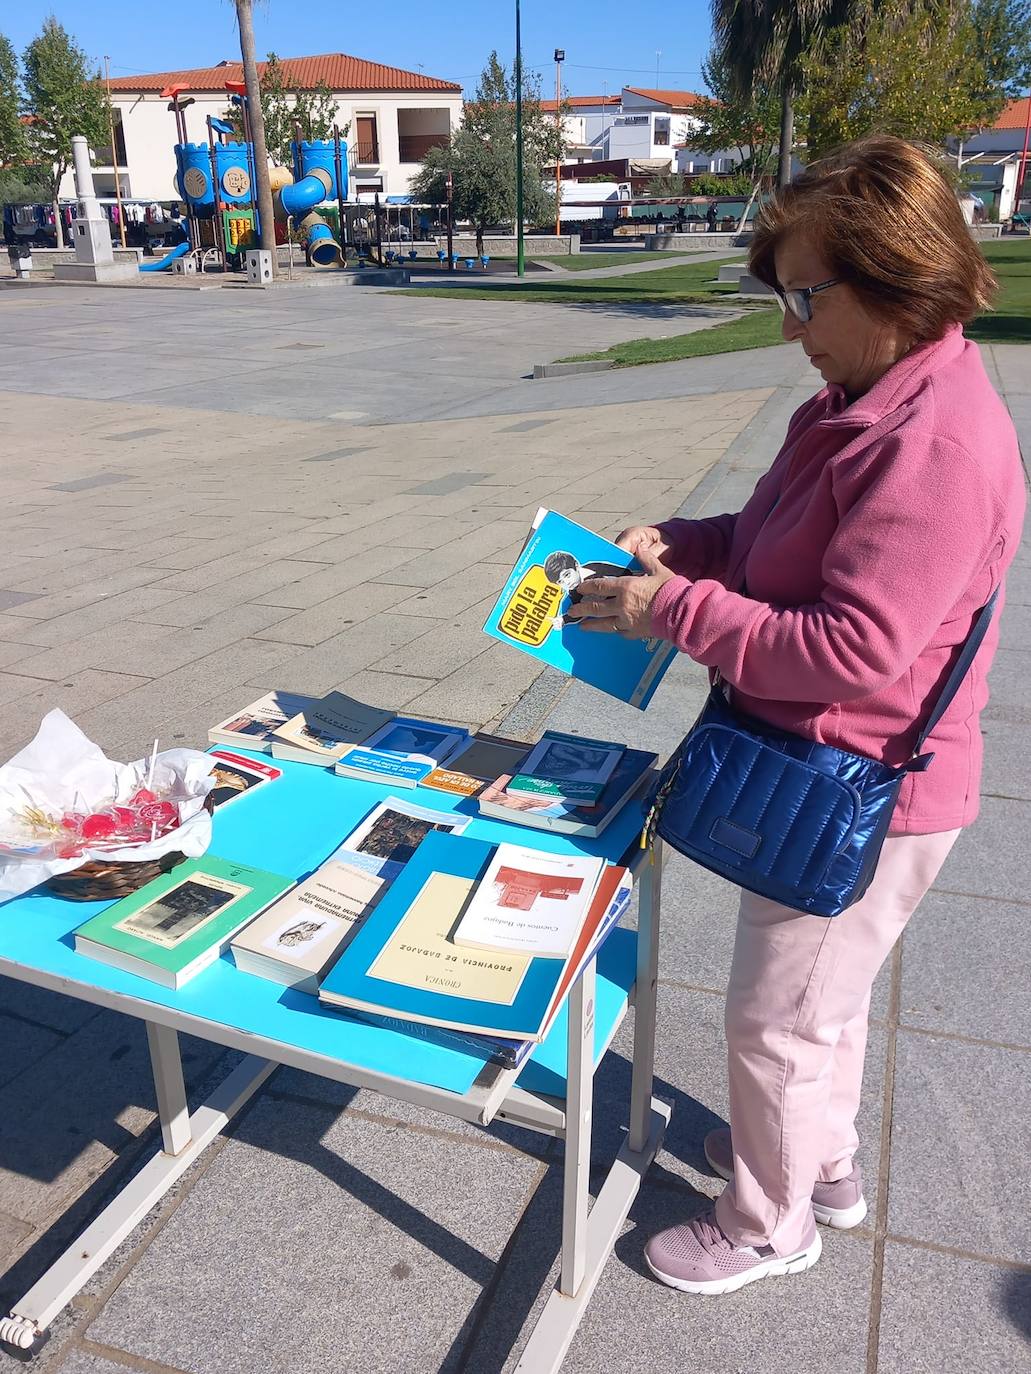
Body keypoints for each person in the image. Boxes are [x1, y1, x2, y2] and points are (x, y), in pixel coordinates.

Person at [563, 135, 1025, 1296]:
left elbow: (849, 651)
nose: (788, 327)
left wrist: (674, 612)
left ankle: (769, 1224)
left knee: (775, 1021)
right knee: (822, 1002)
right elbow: (773, 534)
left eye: (804, 298)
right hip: (839, 772)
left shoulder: (932, 444)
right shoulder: (863, 396)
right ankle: (818, 1163)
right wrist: (687, 547)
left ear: (896, 279)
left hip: (866, 789)